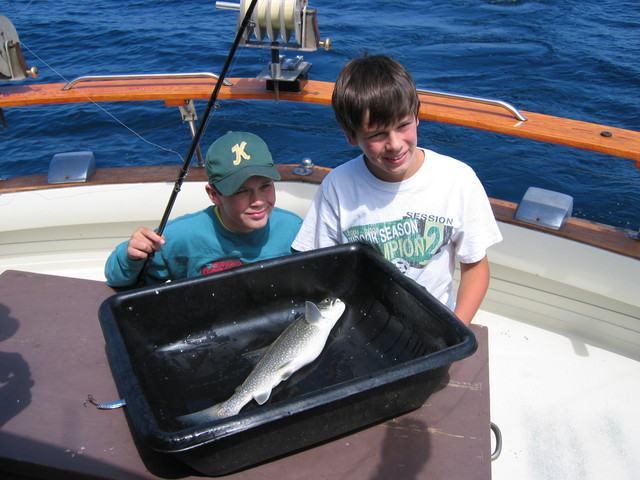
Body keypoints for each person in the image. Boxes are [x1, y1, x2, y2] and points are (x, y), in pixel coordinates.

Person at [292, 55, 502, 325]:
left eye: (403, 125)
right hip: (362, 323)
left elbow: (475, 267)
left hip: (436, 324)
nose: (394, 144)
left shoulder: (458, 179)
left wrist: (457, 329)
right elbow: (320, 270)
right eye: (376, 135)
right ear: (351, 135)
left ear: (417, 115)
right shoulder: (337, 186)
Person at [105, 131, 302, 287]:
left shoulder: (293, 228)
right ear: (214, 195)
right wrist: (131, 256)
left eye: (265, 186)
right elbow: (117, 278)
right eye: (241, 191)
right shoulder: (180, 235)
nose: (258, 201)